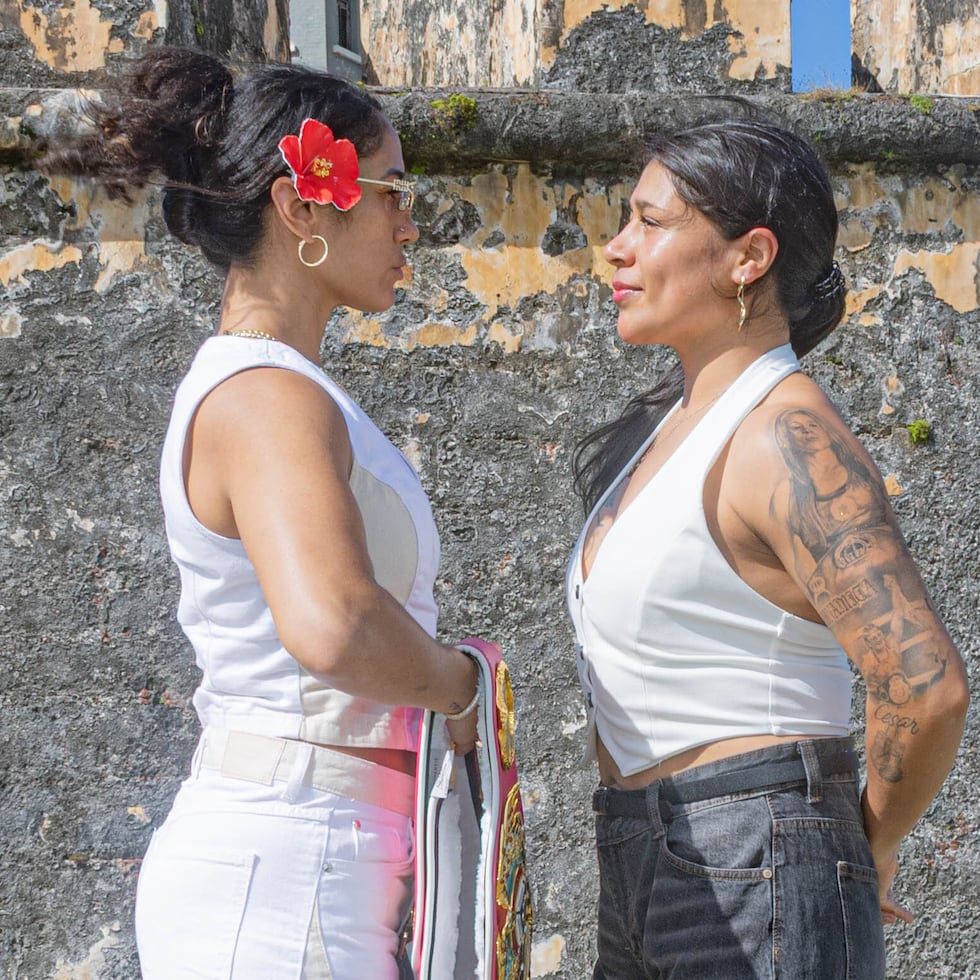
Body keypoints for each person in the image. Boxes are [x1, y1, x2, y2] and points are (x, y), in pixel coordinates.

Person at [39, 47, 483, 979]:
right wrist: (463, 686)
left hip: (323, 853)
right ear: (302, 205)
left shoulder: (286, 389)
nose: (412, 224)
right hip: (288, 863)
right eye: (393, 191)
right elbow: (333, 623)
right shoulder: (268, 396)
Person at [566, 118, 969, 979]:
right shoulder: (672, 425)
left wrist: (872, 841)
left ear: (747, 258)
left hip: (757, 843)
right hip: (643, 847)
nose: (616, 248)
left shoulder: (783, 433)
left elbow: (925, 685)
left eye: (651, 221)